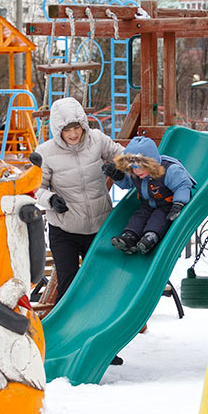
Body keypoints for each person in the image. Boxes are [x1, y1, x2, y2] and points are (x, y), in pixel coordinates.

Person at [33, 97, 124, 301]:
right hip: (65, 230)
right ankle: (66, 329)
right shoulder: (45, 152)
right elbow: (35, 188)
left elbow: (124, 156)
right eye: (67, 130)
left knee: (102, 283)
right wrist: (50, 199)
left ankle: (102, 326)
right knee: (69, 286)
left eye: (77, 128)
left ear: (83, 125)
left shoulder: (98, 140)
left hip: (99, 227)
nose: (73, 134)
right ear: (58, 131)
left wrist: (119, 170)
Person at [104, 136, 195, 254]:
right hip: (147, 204)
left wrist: (178, 204)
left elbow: (182, 185)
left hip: (166, 205)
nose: (136, 171)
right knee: (138, 216)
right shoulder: (136, 173)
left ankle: (150, 237)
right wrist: (117, 176)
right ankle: (129, 237)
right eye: (132, 168)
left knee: (159, 218)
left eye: (140, 167)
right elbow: (127, 183)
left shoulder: (169, 170)